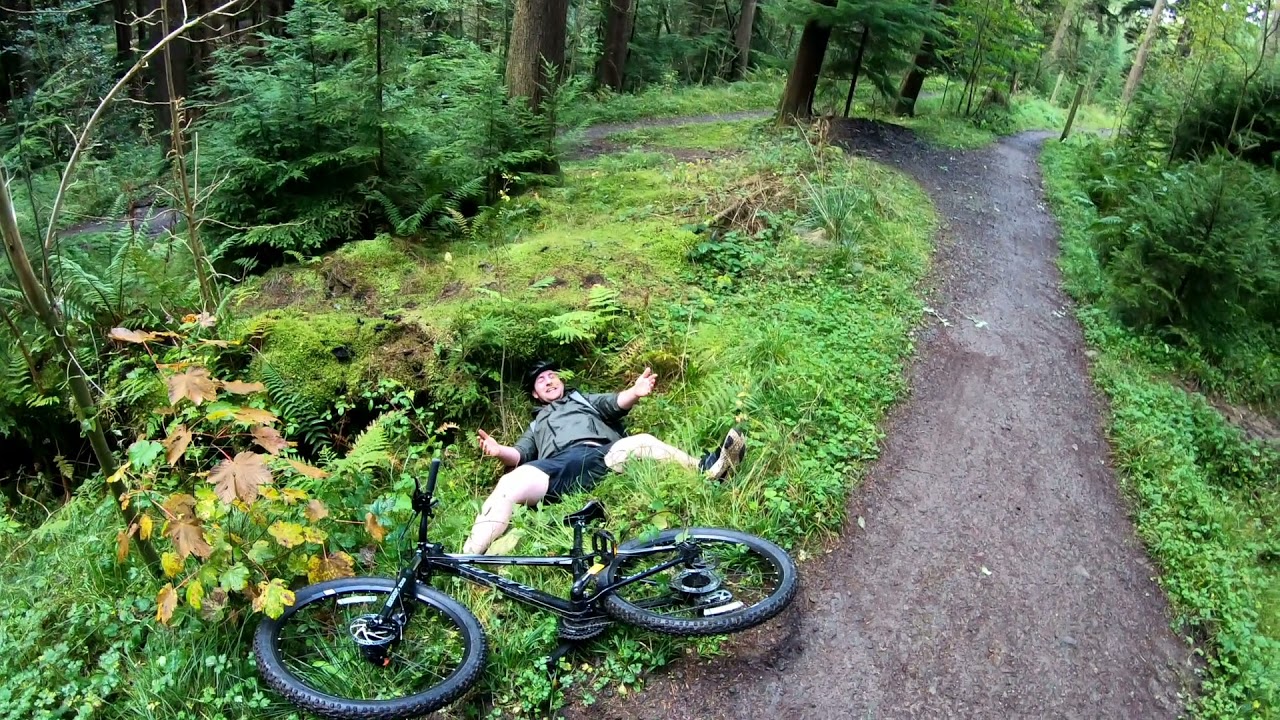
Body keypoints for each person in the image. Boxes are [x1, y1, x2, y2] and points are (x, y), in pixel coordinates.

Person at [462, 360, 746, 554]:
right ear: (536, 395)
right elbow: (520, 454)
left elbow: (615, 403)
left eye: (552, 376)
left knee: (643, 441)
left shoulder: (583, 400)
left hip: (601, 455)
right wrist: (499, 451)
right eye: (541, 380)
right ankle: (467, 556)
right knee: (510, 484)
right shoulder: (536, 425)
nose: (548, 381)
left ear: (560, 381)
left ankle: (707, 470)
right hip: (557, 468)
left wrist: (635, 392)